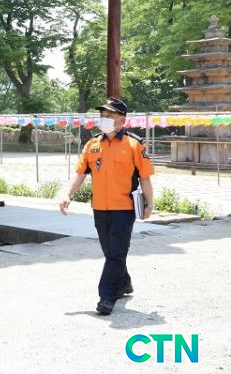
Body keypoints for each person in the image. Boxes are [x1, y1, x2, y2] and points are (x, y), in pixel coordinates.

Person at [59, 97, 155, 315]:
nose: (105, 119)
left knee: (115, 252)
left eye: (110, 116)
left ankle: (107, 297)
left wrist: (149, 204)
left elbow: (145, 177)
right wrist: (67, 194)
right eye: (103, 116)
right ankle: (123, 283)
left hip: (124, 208)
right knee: (111, 251)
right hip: (99, 208)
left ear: (122, 119)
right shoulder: (92, 144)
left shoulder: (134, 144)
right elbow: (80, 174)